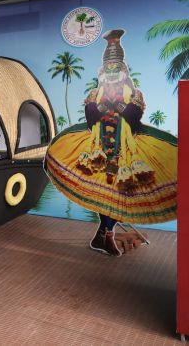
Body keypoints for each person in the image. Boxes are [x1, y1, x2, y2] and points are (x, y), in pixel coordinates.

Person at [44, 29, 177, 256]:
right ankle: (105, 236)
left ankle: (104, 235)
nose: (112, 72)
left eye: (116, 68)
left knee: (119, 195)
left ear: (123, 70)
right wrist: (104, 107)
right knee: (104, 195)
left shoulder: (134, 93)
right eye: (108, 68)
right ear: (103, 71)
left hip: (127, 150)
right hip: (96, 149)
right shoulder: (94, 93)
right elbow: (91, 118)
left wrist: (119, 107)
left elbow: (133, 119)